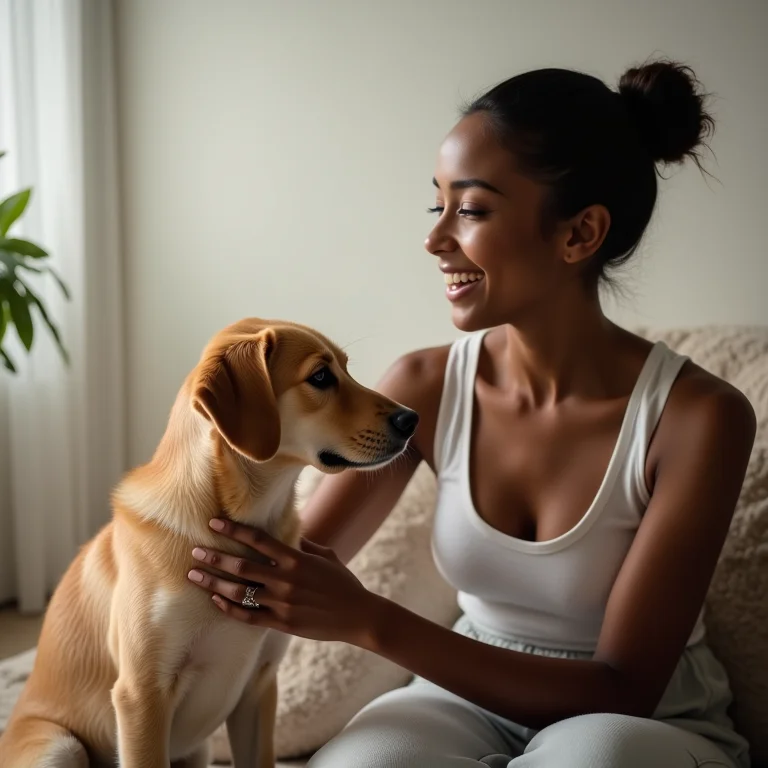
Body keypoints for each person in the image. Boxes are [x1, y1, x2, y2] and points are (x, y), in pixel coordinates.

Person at [187, 58, 755, 767]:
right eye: (438, 205)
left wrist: (368, 619)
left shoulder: (700, 417)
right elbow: (294, 564)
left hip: (642, 720)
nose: (435, 239)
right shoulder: (423, 388)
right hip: (461, 695)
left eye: (473, 209)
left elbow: (627, 686)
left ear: (579, 234)